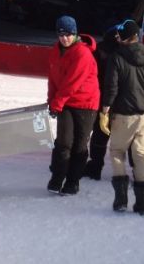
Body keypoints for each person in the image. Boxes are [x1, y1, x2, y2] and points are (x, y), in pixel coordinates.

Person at [99, 19, 144, 215]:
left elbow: (111, 87)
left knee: (117, 152)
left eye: (119, 34)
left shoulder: (117, 58)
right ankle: (143, 204)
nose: (117, 37)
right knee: (141, 156)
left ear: (125, 37)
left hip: (123, 115)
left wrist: (104, 111)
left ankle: (121, 199)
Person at [47, 15, 99, 195]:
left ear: (75, 34)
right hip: (66, 102)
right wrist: (51, 100)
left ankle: (72, 181)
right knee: (63, 142)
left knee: (79, 145)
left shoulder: (82, 53)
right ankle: (57, 178)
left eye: (68, 34)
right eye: (61, 34)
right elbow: (53, 78)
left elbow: (72, 82)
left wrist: (57, 102)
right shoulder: (56, 51)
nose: (64, 38)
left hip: (86, 103)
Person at [83, 25, 121, 180]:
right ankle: (134, 173)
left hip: (99, 97)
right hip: (120, 100)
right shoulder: (123, 53)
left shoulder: (98, 51)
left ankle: (94, 166)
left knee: (96, 133)